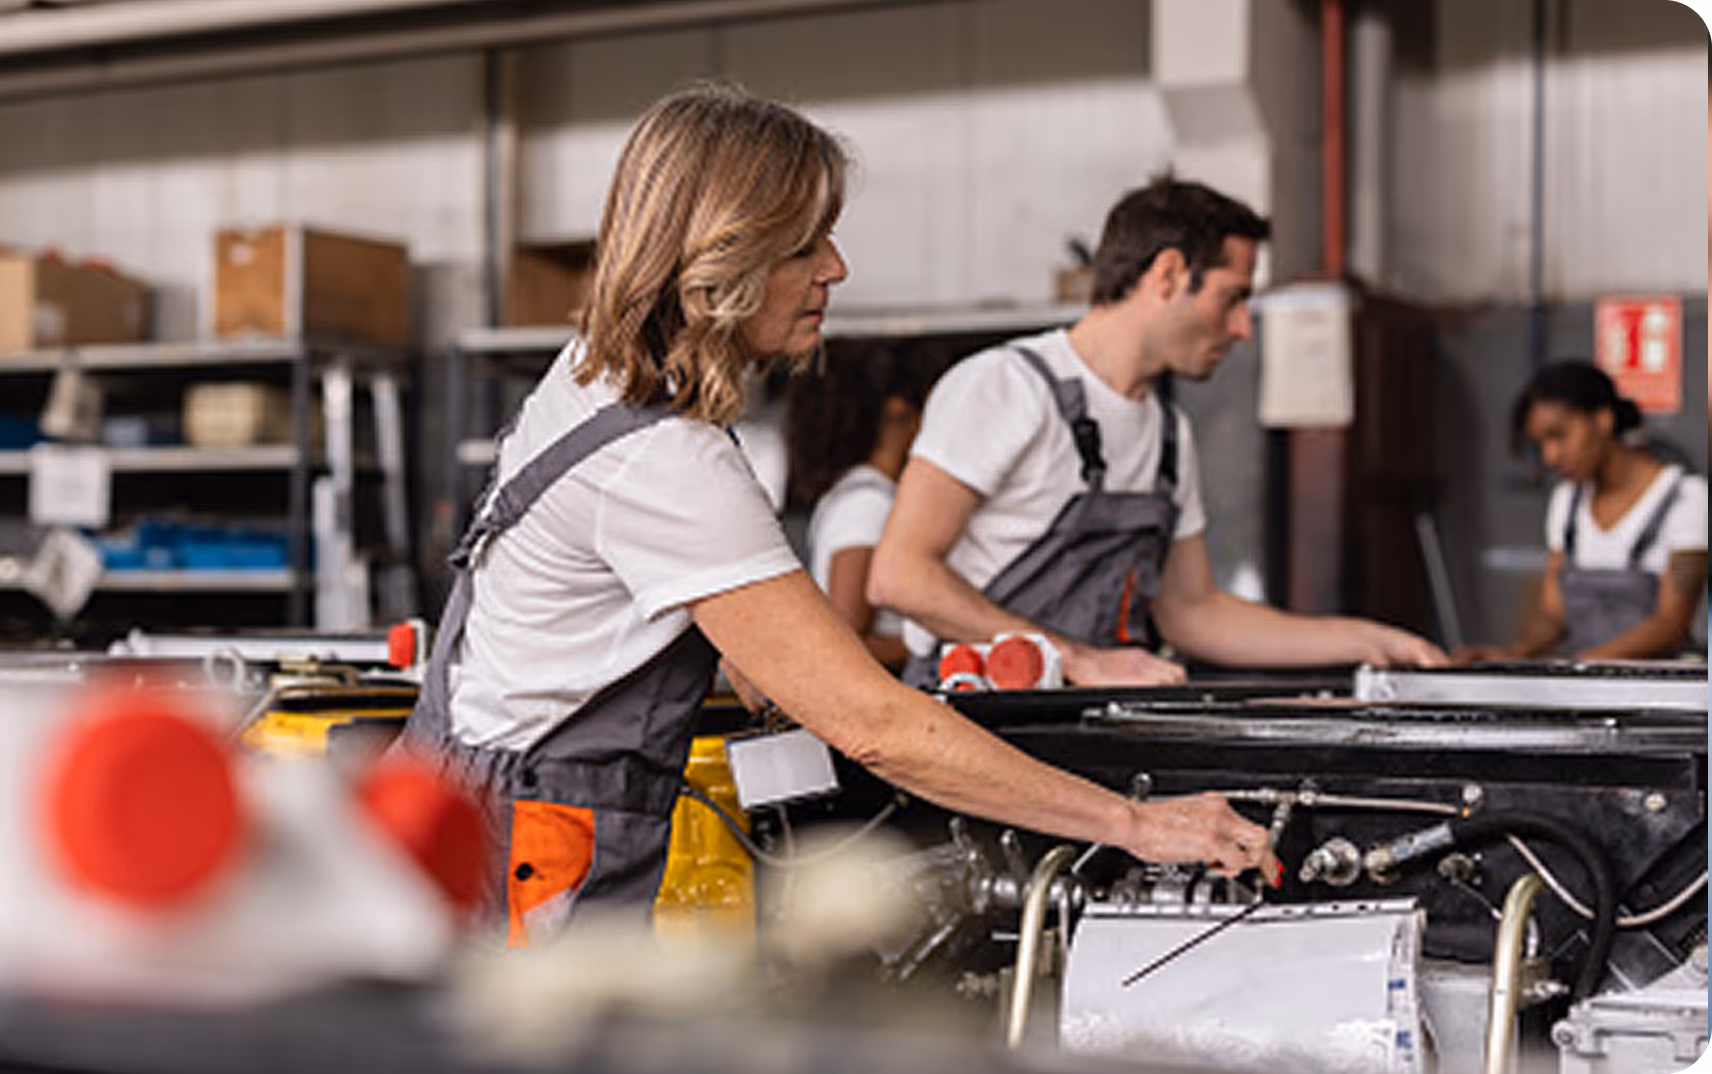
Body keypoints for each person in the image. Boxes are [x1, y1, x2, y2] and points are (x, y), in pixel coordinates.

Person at [397, 86, 1279, 946]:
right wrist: (1132, 823)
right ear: (725, 252)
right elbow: (877, 727)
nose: (836, 268)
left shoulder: (596, 376)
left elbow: (720, 639)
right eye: (805, 244)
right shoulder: (664, 459)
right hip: (530, 836)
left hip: (470, 800)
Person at [868, 175, 1447, 688]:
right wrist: (1078, 660)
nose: (1243, 328)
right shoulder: (1007, 386)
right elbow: (899, 575)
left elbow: (1193, 612)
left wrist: (1372, 643)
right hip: (969, 724)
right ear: (1168, 274)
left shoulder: (1169, 434)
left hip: (1084, 729)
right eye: (1232, 298)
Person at [1456, 361, 1707, 662]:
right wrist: (1513, 655)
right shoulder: (1567, 502)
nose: (1551, 456)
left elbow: (1671, 623)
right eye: (1540, 445)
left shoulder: (1685, 497)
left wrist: (1581, 668)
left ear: (1602, 420)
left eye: (1559, 435)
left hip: (1659, 691)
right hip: (1585, 687)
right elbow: (1555, 616)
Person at [786, 345, 938, 670]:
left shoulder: (859, 493)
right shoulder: (867, 504)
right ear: (899, 411)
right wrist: (947, 643)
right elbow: (850, 641)